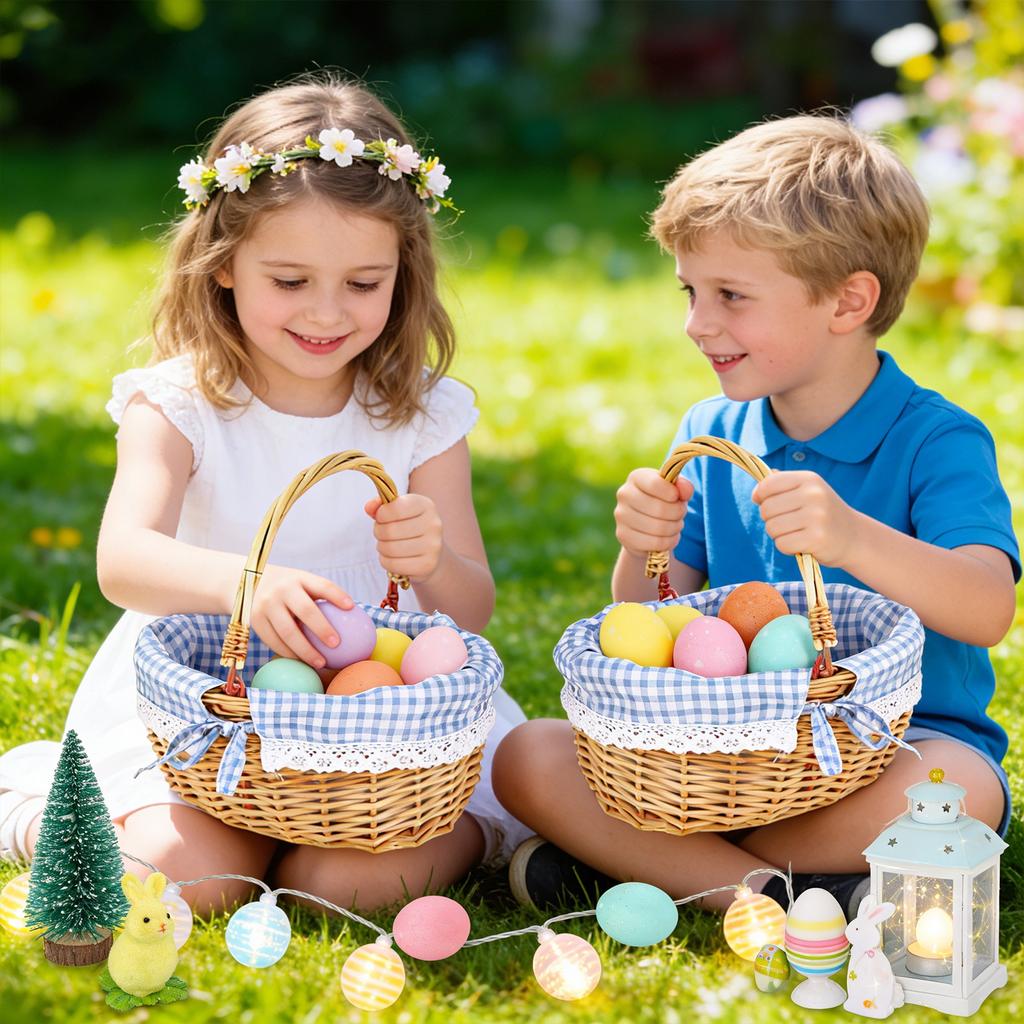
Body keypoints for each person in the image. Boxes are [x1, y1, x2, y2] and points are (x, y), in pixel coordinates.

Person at [0, 74, 530, 914]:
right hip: (210, 692)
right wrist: (247, 585)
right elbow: (123, 560)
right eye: (289, 281)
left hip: (377, 709)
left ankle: (455, 840)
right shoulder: (179, 404)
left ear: (403, 271)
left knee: (342, 890)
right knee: (194, 877)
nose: (327, 312)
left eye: (363, 283)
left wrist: (432, 561)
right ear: (222, 268)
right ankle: (34, 808)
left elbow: (468, 610)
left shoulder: (423, 414)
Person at [493, 114, 1019, 916]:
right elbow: (648, 626)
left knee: (964, 789)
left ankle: (665, 869)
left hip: (894, 752)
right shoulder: (713, 435)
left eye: (731, 296)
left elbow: (987, 608)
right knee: (527, 756)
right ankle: (780, 890)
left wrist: (852, 536)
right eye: (691, 292)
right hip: (722, 758)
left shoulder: (935, 440)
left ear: (849, 301)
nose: (697, 323)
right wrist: (645, 550)